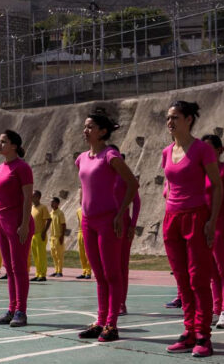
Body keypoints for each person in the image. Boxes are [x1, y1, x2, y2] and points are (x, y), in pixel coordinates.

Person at [161, 101, 221, 357]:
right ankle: (188, 332)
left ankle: (203, 336)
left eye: (175, 117)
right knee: (182, 281)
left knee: (198, 280)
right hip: (172, 219)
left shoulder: (202, 150)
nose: (170, 122)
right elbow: (169, 184)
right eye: (168, 118)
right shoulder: (166, 152)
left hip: (196, 217)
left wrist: (212, 220)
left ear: (189, 120)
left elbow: (217, 186)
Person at [75, 110, 139, 343]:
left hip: (109, 221)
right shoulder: (81, 158)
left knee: (112, 274)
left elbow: (133, 184)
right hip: (88, 221)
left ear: (103, 131)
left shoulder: (110, 155)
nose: (86, 130)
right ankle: (100, 321)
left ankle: (112, 324)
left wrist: (121, 214)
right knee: (99, 275)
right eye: (85, 126)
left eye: (90, 127)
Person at [0, 129, 35, 328]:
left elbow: (27, 198)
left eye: (3, 141)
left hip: (17, 222)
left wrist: (24, 224)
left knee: (19, 268)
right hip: (1, 221)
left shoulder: (22, 168)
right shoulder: (0, 168)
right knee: (8, 269)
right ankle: (11, 308)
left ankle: (21, 312)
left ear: (14, 145)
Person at [200, 134, 224, 329]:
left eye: (209, 148)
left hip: (221, 225)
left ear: (220, 150)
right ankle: (215, 309)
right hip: (205, 226)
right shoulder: (202, 172)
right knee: (212, 272)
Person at [109, 145, 141, 316]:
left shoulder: (124, 179)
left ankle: (121, 302)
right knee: (107, 266)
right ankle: (109, 301)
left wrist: (132, 225)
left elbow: (136, 202)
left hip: (123, 225)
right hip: (105, 224)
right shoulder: (103, 177)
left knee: (121, 266)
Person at [30, 190, 51, 281]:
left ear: (38, 197)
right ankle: (38, 273)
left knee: (41, 255)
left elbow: (49, 219)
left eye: (33, 196)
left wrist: (44, 232)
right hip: (32, 235)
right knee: (35, 256)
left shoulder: (43, 207)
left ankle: (42, 275)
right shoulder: (31, 208)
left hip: (40, 235)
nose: (31, 197)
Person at [50, 197, 66, 278]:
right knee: (54, 255)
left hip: (58, 237)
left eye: (53, 202)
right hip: (52, 237)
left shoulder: (60, 213)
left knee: (59, 255)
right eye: (51, 202)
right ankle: (56, 270)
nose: (51, 204)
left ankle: (60, 271)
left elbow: (63, 225)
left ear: (57, 203)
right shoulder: (51, 213)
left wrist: (62, 236)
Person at [75, 204, 92, 280]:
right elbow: (79, 222)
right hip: (80, 232)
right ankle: (84, 271)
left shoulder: (90, 209)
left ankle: (88, 272)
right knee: (81, 253)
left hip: (87, 232)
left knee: (87, 253)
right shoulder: (78, 210)